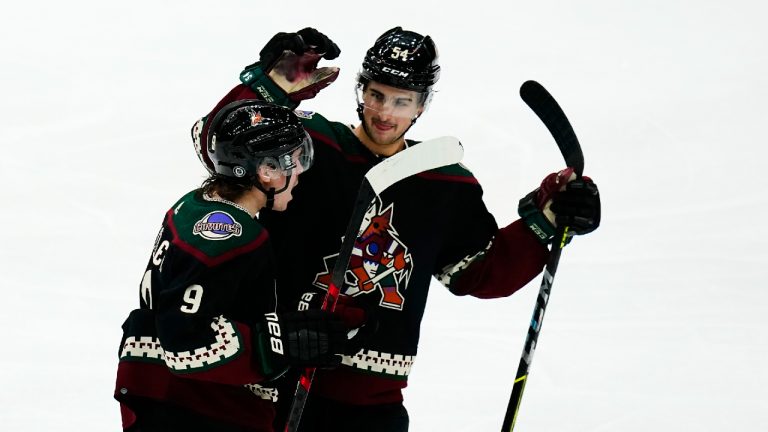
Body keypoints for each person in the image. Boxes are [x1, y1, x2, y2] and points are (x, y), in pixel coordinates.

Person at [193, 28, 601, 432]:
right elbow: (225, 145)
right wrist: (269, 86)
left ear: (422, 106)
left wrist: (547, 220)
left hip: (372, 406)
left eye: (402, 101)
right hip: (276, 386)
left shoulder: (444, 183)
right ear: (361, 92)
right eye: (376, 95)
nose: (385, 113)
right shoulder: (310, 145)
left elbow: (482, 271)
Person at [115, 100, 360, 432]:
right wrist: (277, 344)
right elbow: (187, 340)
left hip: (166, 397)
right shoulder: (238, 236)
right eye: (294, 159)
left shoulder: (192, 205)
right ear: (266, 170)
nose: (301, 170)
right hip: (195, 407)